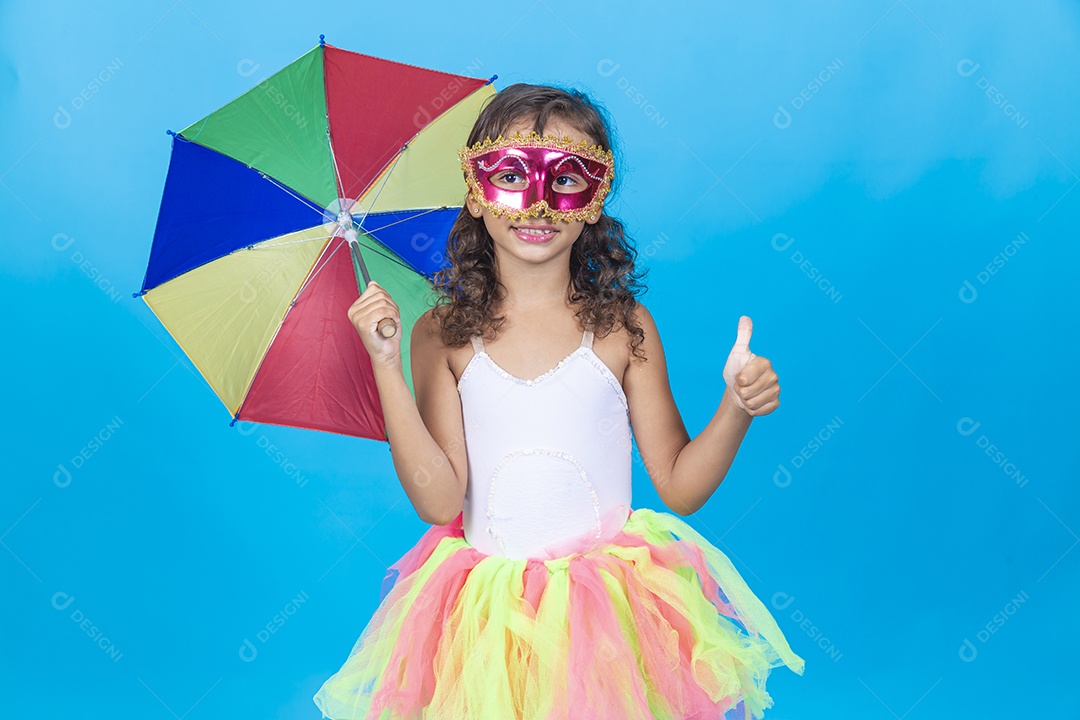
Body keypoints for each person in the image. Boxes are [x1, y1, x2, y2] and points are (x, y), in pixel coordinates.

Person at [314, 83, 804, 720]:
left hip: (609, 615)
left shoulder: (625, 326)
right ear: (475, 193)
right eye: (512, 175)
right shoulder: (441, 334)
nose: (539, 202)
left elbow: (680, 487)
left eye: (567, 177)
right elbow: (438, 501)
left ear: (595, 200)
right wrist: (386, 364)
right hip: (489, 619)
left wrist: (735, 407)